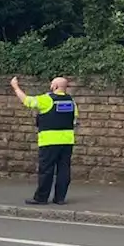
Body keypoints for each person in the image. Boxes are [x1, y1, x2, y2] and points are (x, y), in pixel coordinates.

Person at [10, 76, 78, 205]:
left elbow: (27, 101)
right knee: (64, 170)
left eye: (52, 84)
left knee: (46, 170)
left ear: (55, 87)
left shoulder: (47, 99)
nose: (50, 86)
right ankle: (60, 198)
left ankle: (41, 198)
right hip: (67, 142)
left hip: (49, 141)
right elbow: (74, 120)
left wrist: (15, 86)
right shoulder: (71, 101)